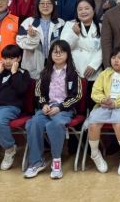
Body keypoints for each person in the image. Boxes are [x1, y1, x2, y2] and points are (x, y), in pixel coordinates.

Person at [23, 40, 82, 179]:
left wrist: (60, 107)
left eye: (62, 52)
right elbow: (38, 93)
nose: (58, 54)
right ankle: (36, 162)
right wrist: (44, 105)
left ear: (68, 54)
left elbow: (77, 96)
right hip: (46, 108)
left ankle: (56, 162)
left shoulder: (73, 74)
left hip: (64, 110)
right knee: (33, 123)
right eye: (55, 52)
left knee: (54, 125)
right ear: (50, 55)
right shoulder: (45, 73)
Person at [84, 48, 120, 175]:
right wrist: (103, 99)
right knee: (93, 124)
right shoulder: (104, 74)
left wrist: (115, 103)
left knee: (119, 123)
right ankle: (95, 154)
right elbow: (95, 92)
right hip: (105, 105)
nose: (116, 60)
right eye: (113, 58)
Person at [60, 0, 103, 106]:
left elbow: (103, 49)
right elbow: (63, 47)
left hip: (95, 71)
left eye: (87, 8)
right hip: (76, 70)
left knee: (93, 103)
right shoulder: (70, 24)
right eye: (80, 9)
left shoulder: (101, 26)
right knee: (77, 105)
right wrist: (74, 34)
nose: (83, 11)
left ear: (93, 10)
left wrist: (94, 65)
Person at [16, 0, 65, 80]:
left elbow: (65, 45)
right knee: (34, 87)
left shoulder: (61, 23)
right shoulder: (28, 22)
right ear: (37, 5)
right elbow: (21, 43)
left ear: (53, 5)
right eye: (42, 3)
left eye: (48, 3)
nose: (45, 6)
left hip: (55, 63)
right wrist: (32, 38)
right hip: (32, 64)